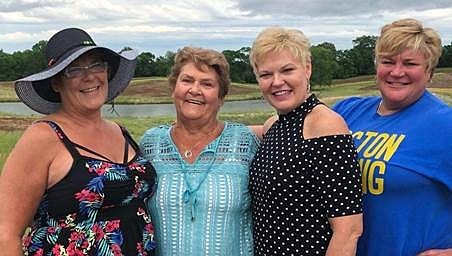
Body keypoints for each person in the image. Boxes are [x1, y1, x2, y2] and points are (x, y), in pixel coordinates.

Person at [0, 28, 156, 255]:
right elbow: (6, 233)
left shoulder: (120, 132)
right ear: (56, 83)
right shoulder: (43, 138)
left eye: (97, 65)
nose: (90, 76)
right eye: (74, 70)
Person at [333, 18, 452, 256]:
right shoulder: (346, 112)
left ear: (429, 72)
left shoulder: (445, 125)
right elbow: (290, 130)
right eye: (388, 61)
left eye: (410, 63)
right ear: (377, 65)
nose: (397, 72)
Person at [248, 27, 363, 256]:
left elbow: (348, 230)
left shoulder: (325, 125)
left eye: (287, 70)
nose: (277, 82)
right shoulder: (275, 125)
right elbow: (230, 132)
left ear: (307, 69)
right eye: (266, 74)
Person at [139, 47, 259, 256]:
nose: (195, 90)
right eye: (187, 80)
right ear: (173, 88)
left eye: (207, 84)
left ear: (221, 97)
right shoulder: (151, 144)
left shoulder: (244, 143)